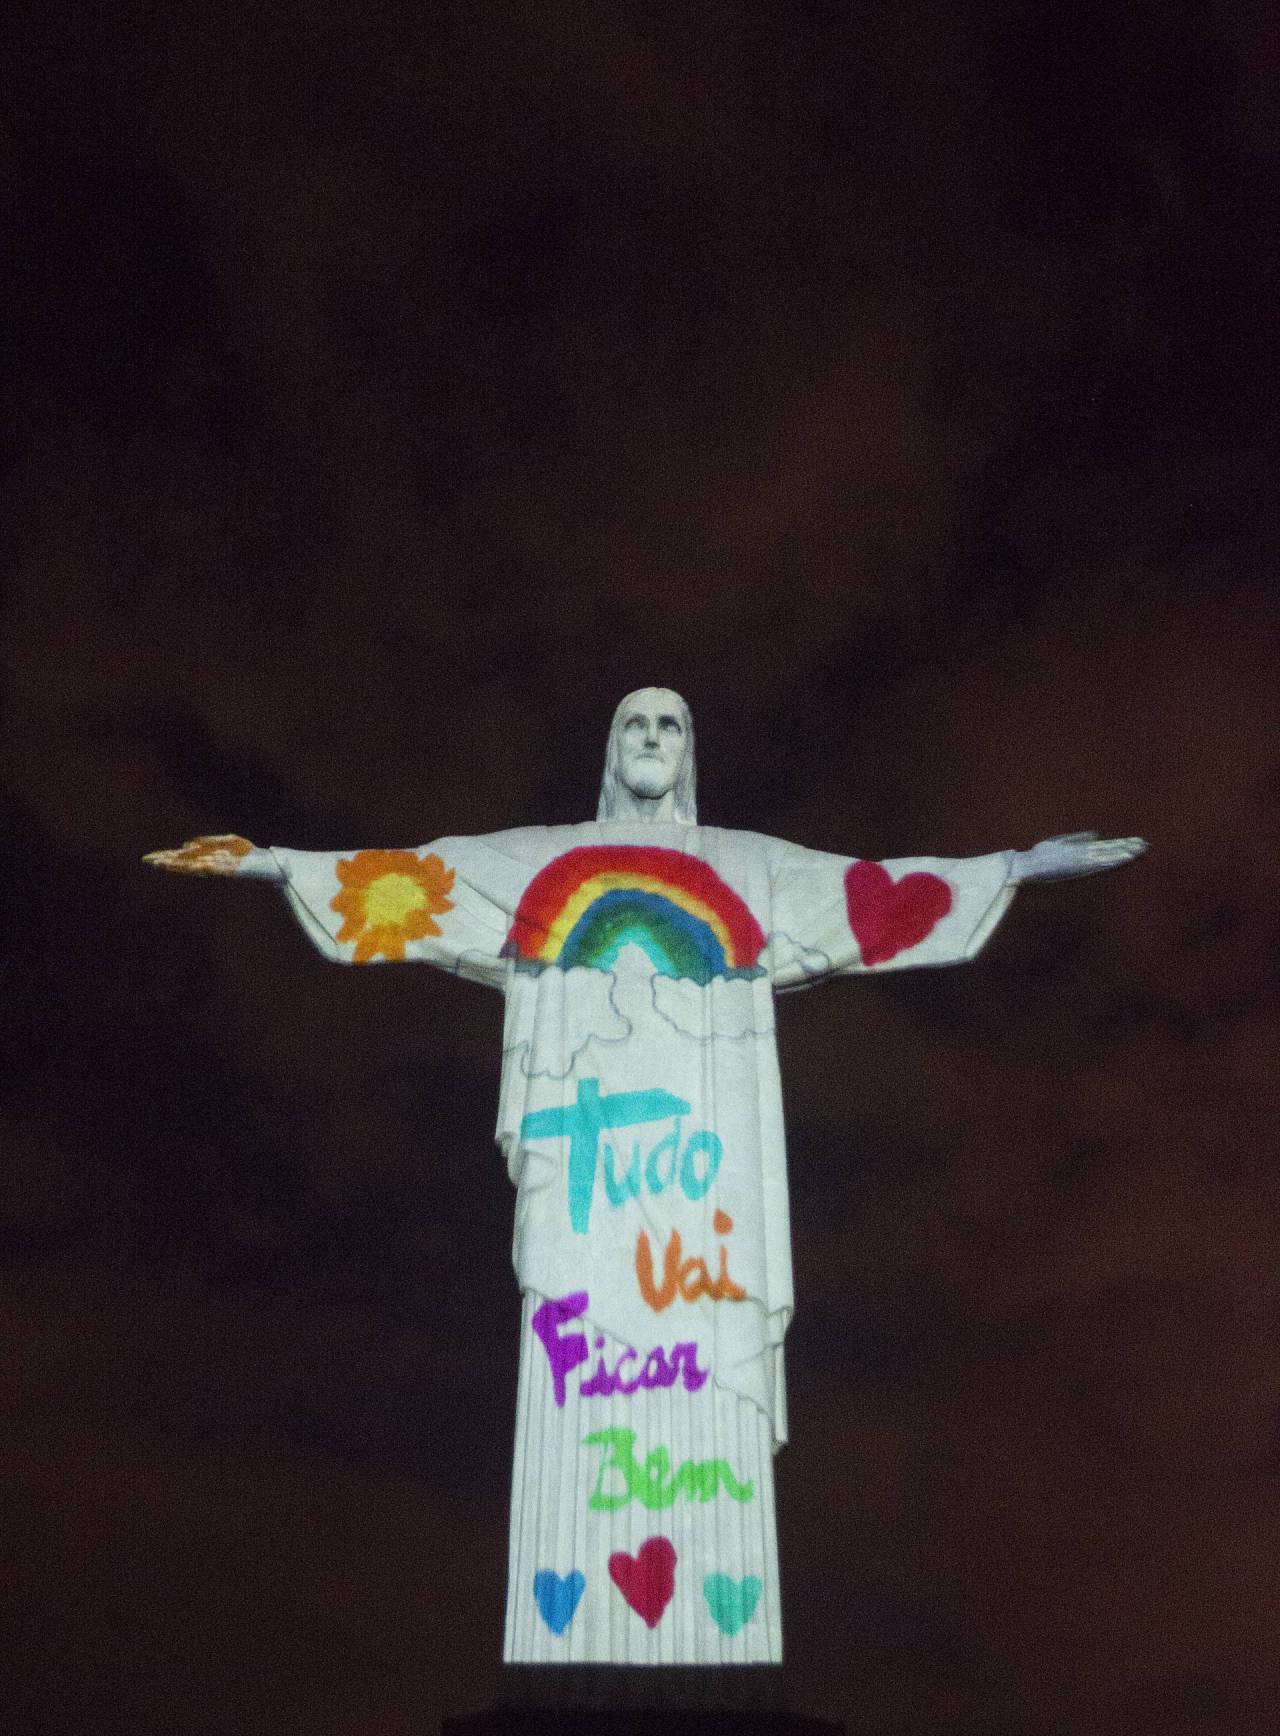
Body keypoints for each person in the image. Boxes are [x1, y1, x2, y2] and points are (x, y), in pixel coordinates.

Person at [147, 687, 1144, 1666]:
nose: (652, 738)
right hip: (588, 1170)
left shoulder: (745, 866)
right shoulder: (542, 859)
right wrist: (278, 864)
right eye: (634, 722)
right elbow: (426, 879)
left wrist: (1008, 867)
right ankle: (570, 1619)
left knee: (697, 1348)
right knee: (574, 1334)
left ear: (691, 749)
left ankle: (712, 1620)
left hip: (702, 1182)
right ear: (610, 745)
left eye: (670, 724)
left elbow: (864, 895)